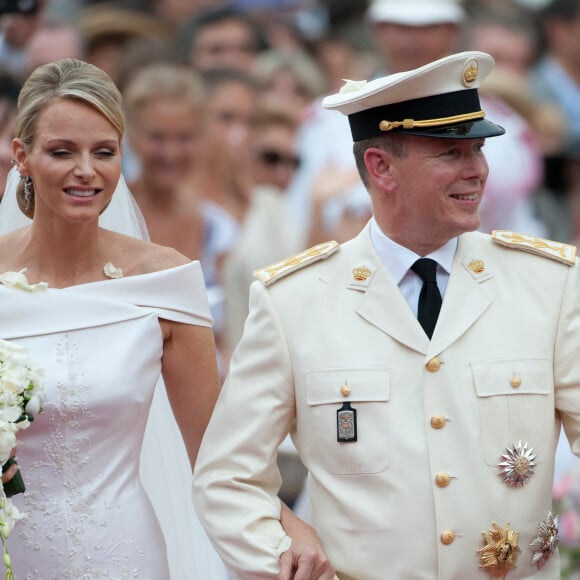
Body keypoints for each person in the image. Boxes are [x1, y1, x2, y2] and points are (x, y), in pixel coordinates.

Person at [193, 50, 580, 579]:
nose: (477, 171)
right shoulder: (294, 301)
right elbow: (226, 478)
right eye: (451, 153)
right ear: (381, 167)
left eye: (479, 150)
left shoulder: (550, 285)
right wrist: (284, 552)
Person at [0, 58, 221, 579]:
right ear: (22, 156)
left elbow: (216, 456)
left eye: (104, 152)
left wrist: (285, 528)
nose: (86, 170)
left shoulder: (166, 280)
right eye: (61, 151)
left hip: (124, 554)